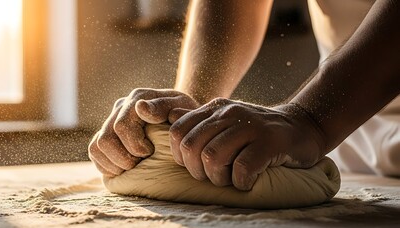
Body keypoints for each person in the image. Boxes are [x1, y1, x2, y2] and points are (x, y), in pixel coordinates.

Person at [88, 0, 400, 191]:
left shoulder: (318, 121)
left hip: (332, 124)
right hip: (350, 150)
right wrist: (192, 107)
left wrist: (312, 119)